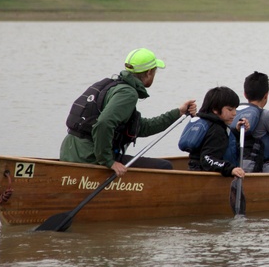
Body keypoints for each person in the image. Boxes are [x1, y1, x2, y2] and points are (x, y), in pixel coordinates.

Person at [60, 48, 197, 175]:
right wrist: (108, 161)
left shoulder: (113, 85)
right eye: (155, 71)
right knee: (164, 167)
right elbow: (104, 123)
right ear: (149, 72)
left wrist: (178, 112)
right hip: (88, 157)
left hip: (70, 153)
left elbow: (140, 128)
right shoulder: (128, 93)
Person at [185, 86, 247, 179]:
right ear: (215, 109)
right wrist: (230, 169)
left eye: (235, 109)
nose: (234, 113)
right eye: (230, 109)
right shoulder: (216, 130)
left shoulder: (206, 122)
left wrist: (237, 131)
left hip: (193, 169)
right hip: (203, 176)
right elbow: (207, 159)